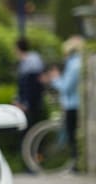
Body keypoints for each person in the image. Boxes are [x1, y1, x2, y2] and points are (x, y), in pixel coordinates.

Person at [45, 36, 83, 167]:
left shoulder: (74, 65)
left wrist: (55, 78)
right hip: (73, 104)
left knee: (72, 136)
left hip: (73, 105)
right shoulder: (76, 63)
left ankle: (75, 164)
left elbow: (66, 87)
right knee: (71, 135)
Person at [14, 37, 46, 127]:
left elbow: (30, 87)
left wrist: (25, 103)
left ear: (17, 49)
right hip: (34, 103)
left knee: (29, 129)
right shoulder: (35, 60)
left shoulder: (29, 64)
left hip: (29, 105)